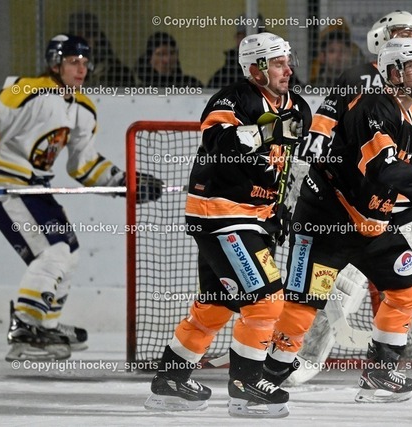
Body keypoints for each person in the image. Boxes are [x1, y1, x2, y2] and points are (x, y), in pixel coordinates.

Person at [277, 10, 412, 388]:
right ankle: (283, 362)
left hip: (399, 210)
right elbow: (352, 150)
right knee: (321, 292)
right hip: (347, 207)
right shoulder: (366, 92)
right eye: (402, 36)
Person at [144, 32, 311, 417]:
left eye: (288, 61)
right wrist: (268, 131)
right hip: (221, 215)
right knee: (266, 301)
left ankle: (170, 380)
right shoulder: (233, 99)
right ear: (256, 68)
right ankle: (246, 386)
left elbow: (288, 165)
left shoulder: (297, 106)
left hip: (254, 218)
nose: (288, 69)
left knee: (215, 304)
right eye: (279, 63)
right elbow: (217, 141)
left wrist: (281, 208)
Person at [0, 34, 163, 362]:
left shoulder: (83, 108)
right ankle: (26, 326)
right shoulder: (26, 90)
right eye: (73, 62)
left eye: (85, 62)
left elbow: (83, 165)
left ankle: (45, 325)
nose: (81, 68)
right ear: (55, 64)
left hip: (36, 188)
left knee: (68, 252)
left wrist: (125, 181)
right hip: (6, 185)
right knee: (53, 253)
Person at [67, 12, 136, 87]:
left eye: (89, 34)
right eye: (79, 36)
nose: (84, 40)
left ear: (97, 38)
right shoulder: (63, 68)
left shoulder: (118, 71)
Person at [135, 32, 203, 88]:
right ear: (150, 58)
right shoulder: (141, 90)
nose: (167, 60)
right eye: (160, 54)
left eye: (172, 53)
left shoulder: (191, 84)